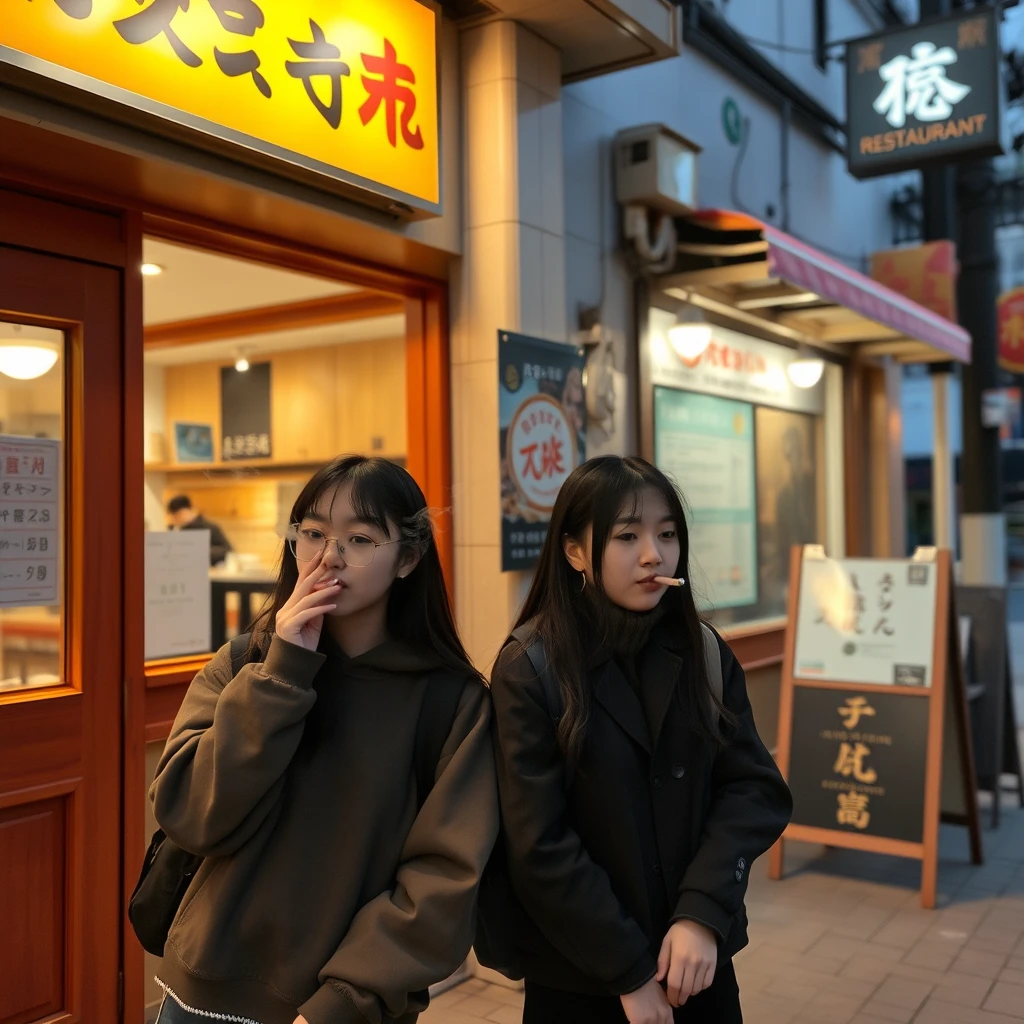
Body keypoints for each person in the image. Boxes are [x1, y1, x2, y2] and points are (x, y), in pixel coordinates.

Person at [150, 456, 498, 1024]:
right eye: (312, 533)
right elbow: (188, 815)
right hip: (201, 997)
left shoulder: (451, 703)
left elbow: (442, 882)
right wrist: (283, 673)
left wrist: (341, 1004)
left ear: (407, 558)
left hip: (343, 1011)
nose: (328, 557)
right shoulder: (246, 663)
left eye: (359, 538)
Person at [487, 456, 792, 1024]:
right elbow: (538, 844)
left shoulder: (702, 651)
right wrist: (627, 970)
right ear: (575, 551)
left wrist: (702, 913)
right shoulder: (532, 666)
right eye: (627, 535)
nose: (655, 554)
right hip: (580, 976)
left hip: (696, 966)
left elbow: (753, 789)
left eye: (668, 534)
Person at [166, 494, 234, 567]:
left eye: (179, 515)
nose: (177, 519)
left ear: (190, 510)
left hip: (208, 572)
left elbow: (229, 552)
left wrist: (202, 550)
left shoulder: (210, 528)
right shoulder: (176, 530)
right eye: (174, 517)